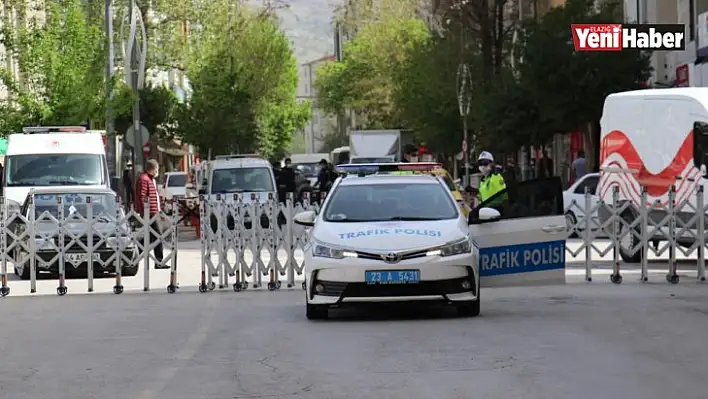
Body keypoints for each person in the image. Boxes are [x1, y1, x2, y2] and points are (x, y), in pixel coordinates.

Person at [134, 159, 167, 269]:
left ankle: (136, 253)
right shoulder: (144, 179)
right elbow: (142, 196)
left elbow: (155, 196)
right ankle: (159, 261)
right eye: (157, 169)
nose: (157, 171)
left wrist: (160, 209)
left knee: (153, 236)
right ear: (153, 169)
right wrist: (144, 211)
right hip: (150, 212)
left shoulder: (150, 179)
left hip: (154, 211)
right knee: (158, 236)